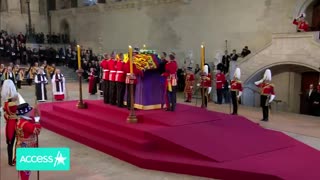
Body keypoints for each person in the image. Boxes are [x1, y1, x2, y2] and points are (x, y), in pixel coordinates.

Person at [16, 100, 41, 180]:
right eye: (29, 111)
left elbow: (31, 123)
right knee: (26, 171)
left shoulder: (20, 121)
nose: (31, 112)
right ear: (25, 113)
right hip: (27, 148)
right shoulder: (26, 124)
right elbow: (37, 131)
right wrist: (37, 120)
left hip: (21, 146)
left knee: (24, 170)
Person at [1, 80, 19, 166]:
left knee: (10, 142)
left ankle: (10, 160)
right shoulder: (13, 104)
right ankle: (13, 159)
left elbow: (5, 115)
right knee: (14, 142)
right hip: (14, 124)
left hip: (9, 124)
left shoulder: (5, 104)